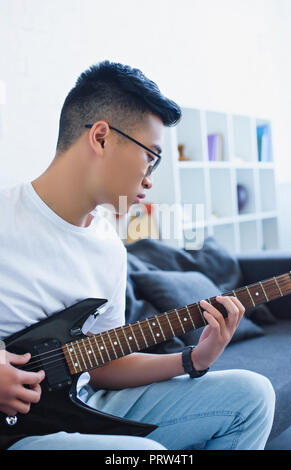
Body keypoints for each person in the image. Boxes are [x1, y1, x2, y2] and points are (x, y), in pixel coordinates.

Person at [0, 60, 275, 450]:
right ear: (101, 138)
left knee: (252, 396)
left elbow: (100, 364)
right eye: (151, 156)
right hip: (18, 434)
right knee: (143, 455)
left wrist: (193, 358)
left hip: (84, 406)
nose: (149, 178)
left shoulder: (109, 247)